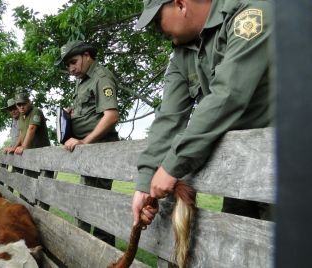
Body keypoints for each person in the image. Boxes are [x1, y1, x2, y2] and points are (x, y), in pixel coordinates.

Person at [133, 0, 272, 227]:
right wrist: (145, 184)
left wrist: (171, 166)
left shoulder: (249, 13)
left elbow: (227, 96)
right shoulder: (183, 53)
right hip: (239, 166)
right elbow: (169, 116)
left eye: (158, 20)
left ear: (180, 4)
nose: (157, 30)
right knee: (235, 246)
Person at [55, 40, 120, 246]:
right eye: (67, 65)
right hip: (89, 151)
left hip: (100, 149)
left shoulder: (101, 77)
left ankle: (104, 254)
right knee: (86, 202)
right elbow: (90, 112)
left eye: (73, 62)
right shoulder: (82, 81)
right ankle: (86, 248)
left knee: (99, 205)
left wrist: (84, 141)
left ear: (87, 55)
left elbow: (110, 116)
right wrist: (71, 116)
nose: (71, 69)